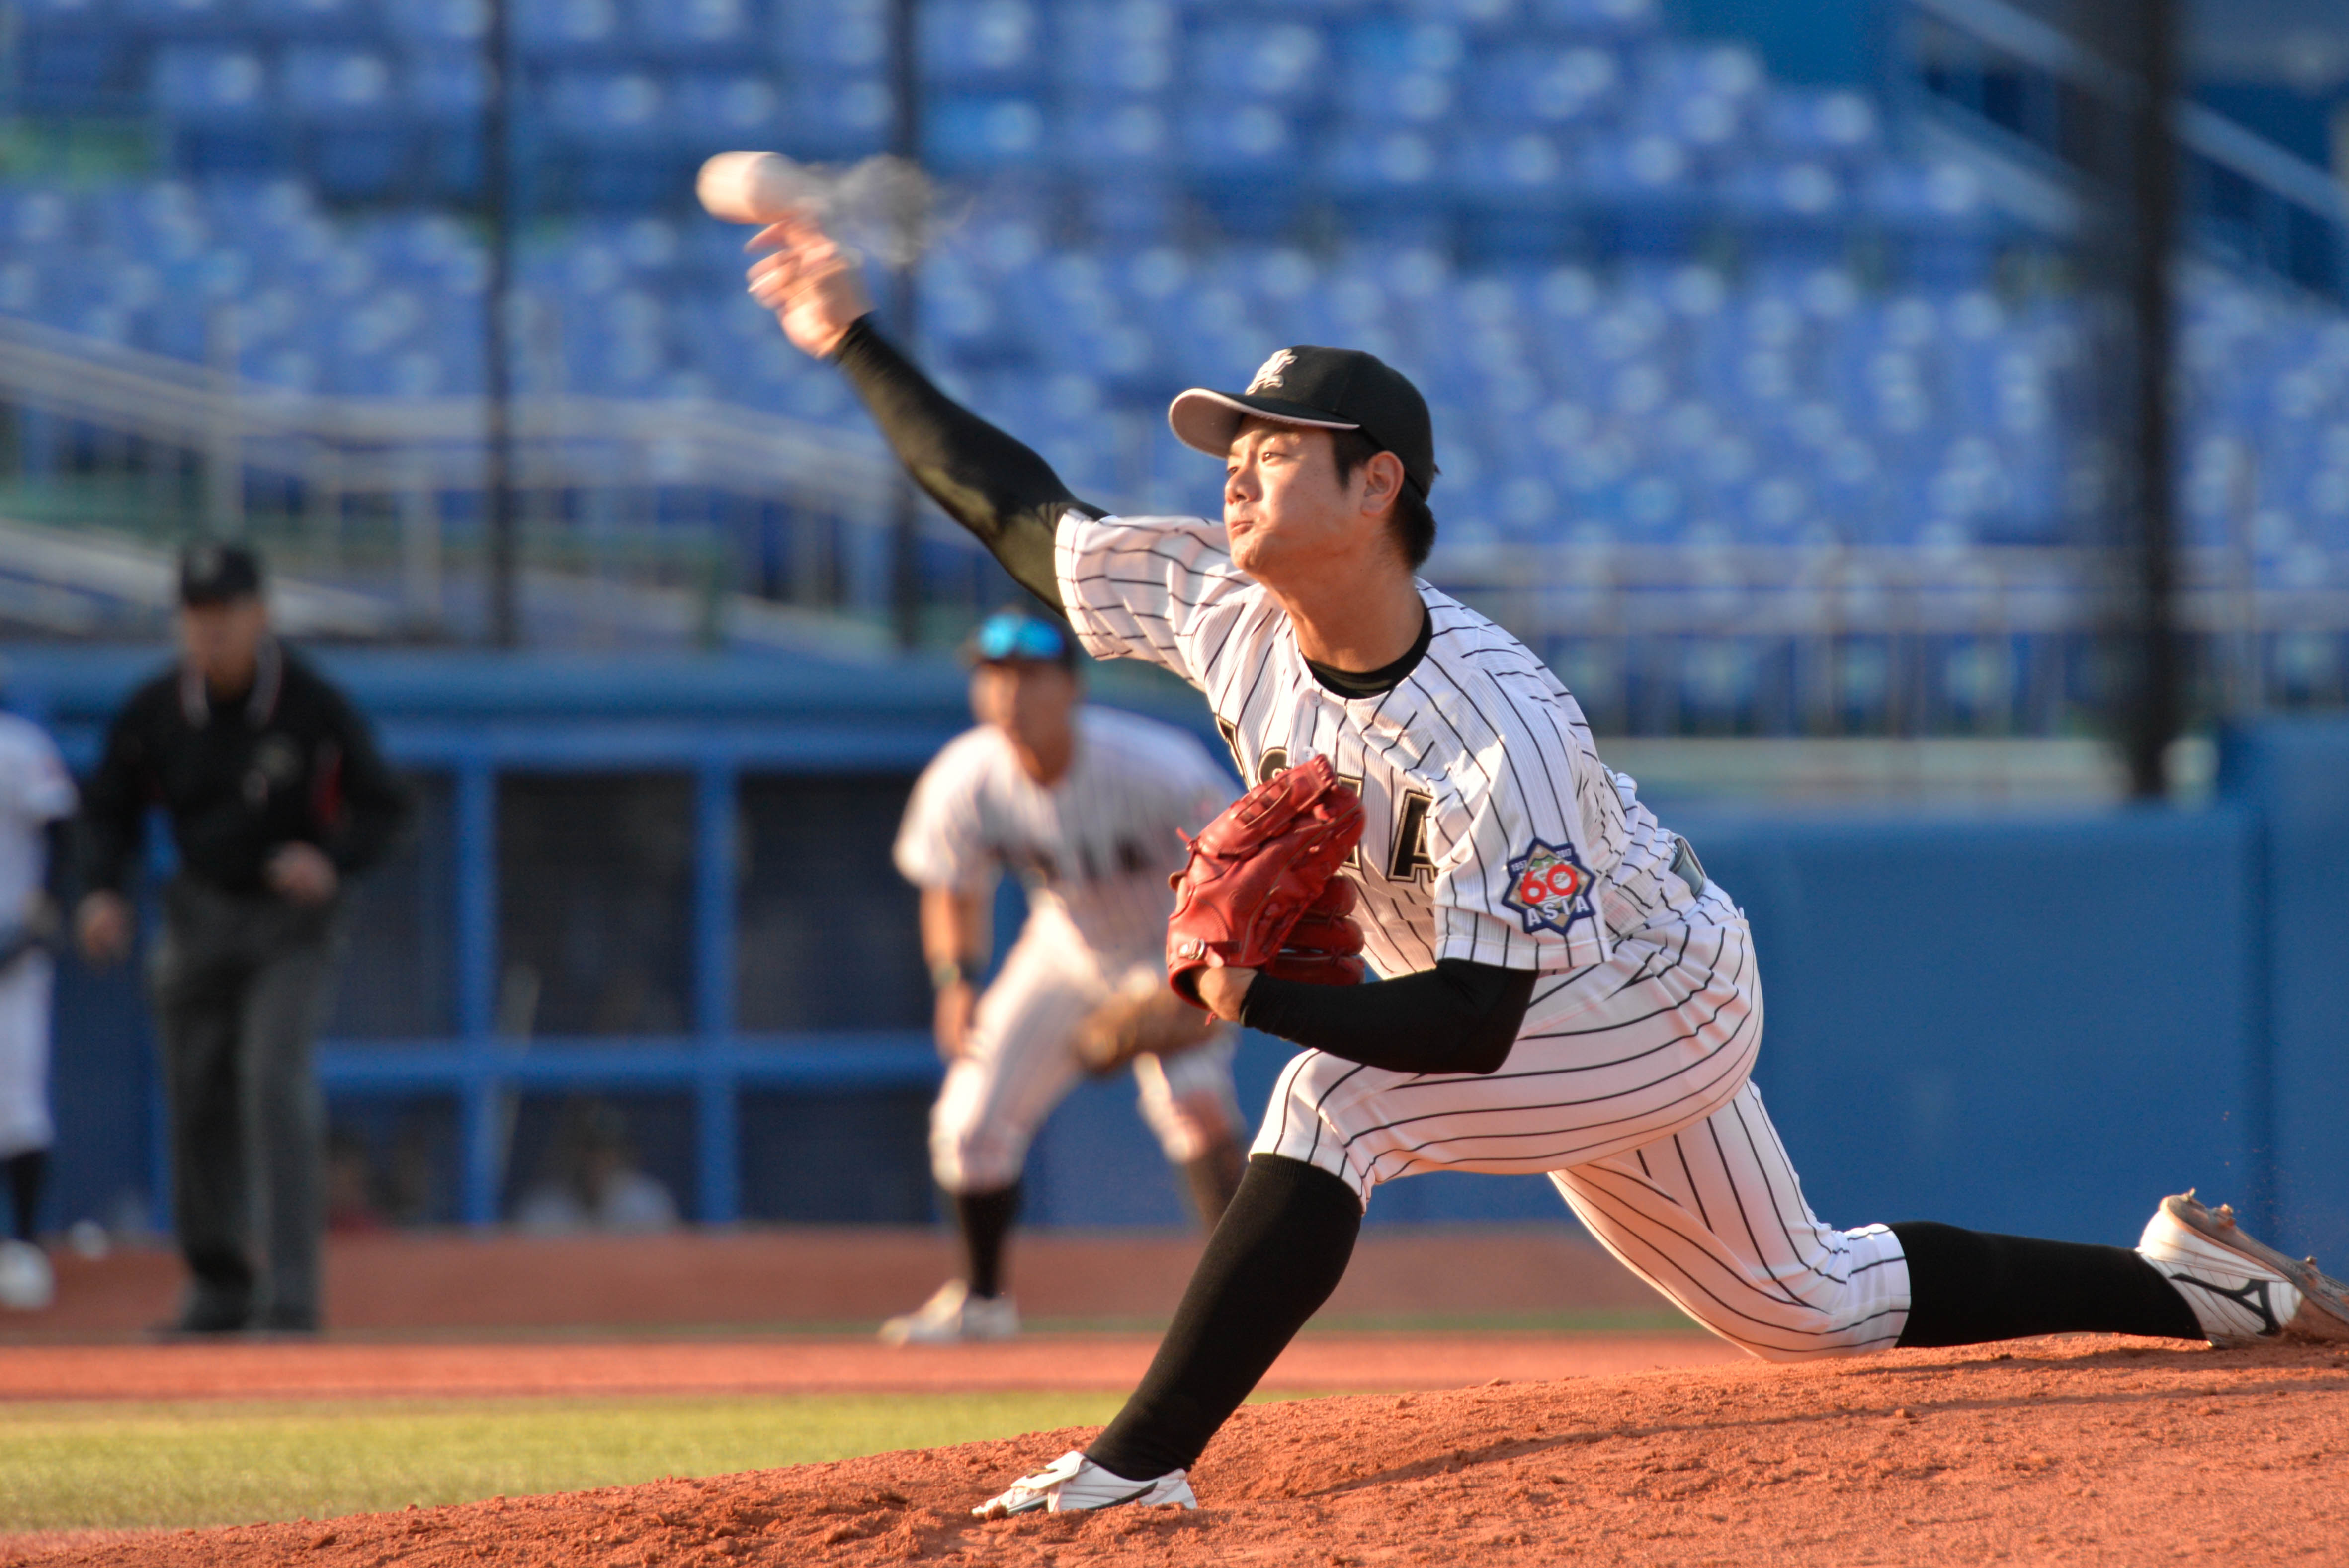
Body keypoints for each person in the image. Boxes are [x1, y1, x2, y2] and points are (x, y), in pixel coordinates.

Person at [744, 212, 2349, 1515]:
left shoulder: (1492, 721)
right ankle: (2191, 1288)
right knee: (1808, 1301)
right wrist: (850, 337)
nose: (1232, 464)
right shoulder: (1223, 614)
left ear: (1376, 484)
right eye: (1229, 441)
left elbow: (1468, 1028)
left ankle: (1134, 1460)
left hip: (1648, 994)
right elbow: (1015, 513)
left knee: (1331, 1103)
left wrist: (1248, 999)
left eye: (1274, 445)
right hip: (1534, 1000)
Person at [881, 606, 1249, 1345]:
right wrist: (955, 980)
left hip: (1171, 948)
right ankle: (981, 1303)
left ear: (1072, 687)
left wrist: (1210, 973)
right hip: (1064, 947)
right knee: (969, 1124)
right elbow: (950, 884)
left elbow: (1240, 865)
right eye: (995, 676)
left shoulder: (1153, 764)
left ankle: (1250, 1300)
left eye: (1030, 676)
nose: (1010, 693)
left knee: (1194, 1105)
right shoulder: (969, 774)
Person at [76, 544, 411, 1335]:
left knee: (270, 1077)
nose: (211, 630)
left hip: (289, 922)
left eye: (225, 613)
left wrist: (330, 859)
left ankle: (291, 1294)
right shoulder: (156, 709)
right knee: (194, 1091)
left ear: (260, 615)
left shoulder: (310, 704)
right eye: (197, 615)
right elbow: (108, 809)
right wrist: (101, 889)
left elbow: (386, 805)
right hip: (199, 911)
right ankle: (218, 1282)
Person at [0, 682, 76, 1312]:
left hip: (12, 956)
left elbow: (63, 829)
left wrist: (41, 916)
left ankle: (25, 1244)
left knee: (18, 1102)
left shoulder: (19, 746)